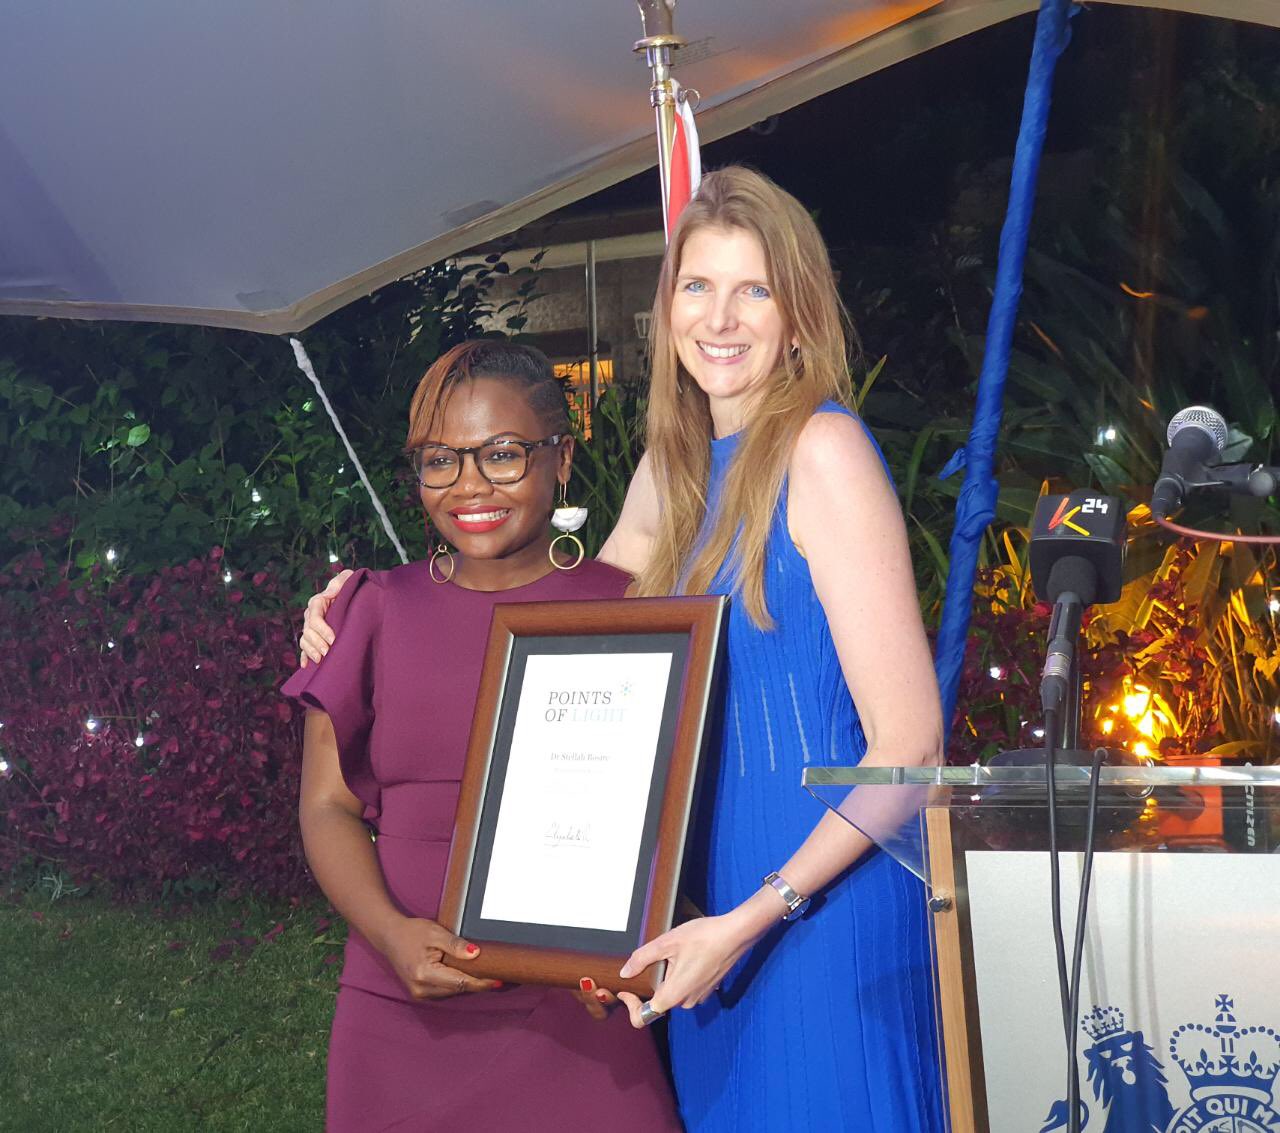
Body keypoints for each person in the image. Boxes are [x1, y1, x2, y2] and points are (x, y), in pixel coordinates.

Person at [301, 167, 945, 1131]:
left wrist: (751, 916)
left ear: (799, 314)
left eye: (754, 289)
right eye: (698, 285)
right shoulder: (674, 470)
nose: (719, 318)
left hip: (813, 905)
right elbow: (553, 623)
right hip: (698, 918)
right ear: (667, 306)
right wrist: (354, 607)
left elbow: (912, 747)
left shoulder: (822, 449)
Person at [283, 340, 681, 1132]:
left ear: (561, 458)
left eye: (502, 454)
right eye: (441, 460)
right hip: (398, 1010)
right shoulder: (371, 609)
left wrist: (626, 949)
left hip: (578, 1017)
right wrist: (392, 934)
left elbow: (666, 814)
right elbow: (326, 805)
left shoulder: (635, 610)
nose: (469, 485)